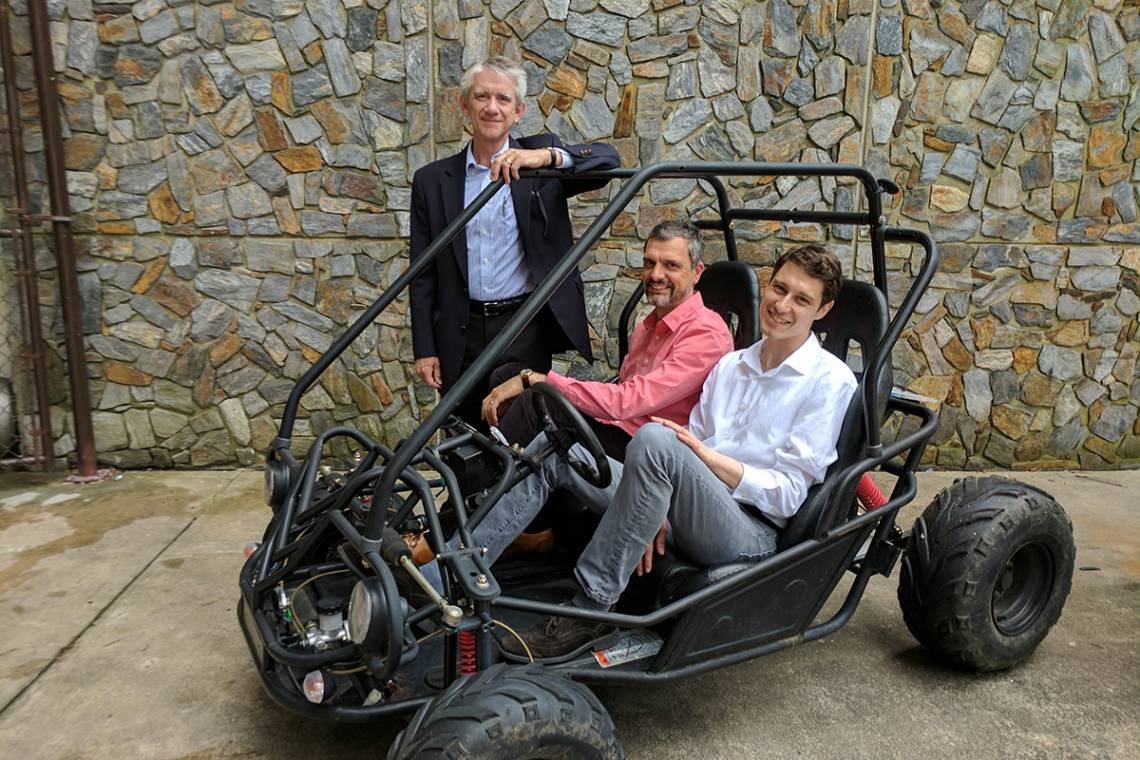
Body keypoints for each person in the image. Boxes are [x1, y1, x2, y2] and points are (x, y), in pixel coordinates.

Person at [492, 244, 858, 661]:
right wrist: (654, 504)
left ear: (822, 310)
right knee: (559, 446)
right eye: (779, 288)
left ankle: (591, 609)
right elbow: (690, 443)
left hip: (750, 532)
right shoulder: (732, 365)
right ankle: (461, 565)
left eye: (802, 299)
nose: (782, 305)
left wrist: (706, 460)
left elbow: (788, 494)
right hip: (694, 507)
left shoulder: (830, 382)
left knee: (656, 438)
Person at [408, 56, 620, 426]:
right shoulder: (431, 181)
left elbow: (608, 160)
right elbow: (422, 274)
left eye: (503, 99)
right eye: (482, 97)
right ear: (464, 105)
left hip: (523, 325)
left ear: (519, 110)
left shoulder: (540, 161)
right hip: (461, 330)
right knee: (463, 437)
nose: (492, 108)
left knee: (520, 432)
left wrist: (546, 157)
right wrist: (425, 349)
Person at [480, 220, 734, 461]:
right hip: (616, 427)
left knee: (540, 399)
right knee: (507, 375)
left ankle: (478, 486)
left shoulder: (707, 333)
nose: (655, 275)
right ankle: (507, 466)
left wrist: (539, 380)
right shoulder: (650, 324)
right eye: (649, 263)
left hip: (647, 450)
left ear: (696, 272)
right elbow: (621, 391)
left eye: (670, 265)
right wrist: (529, 379)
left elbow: (627, 401)